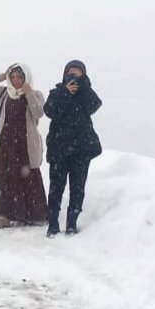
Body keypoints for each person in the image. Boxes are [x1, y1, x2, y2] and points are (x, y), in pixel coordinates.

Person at [0, 63, 48, 229]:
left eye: (20, 76)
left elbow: (39, 112)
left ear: (26, 78)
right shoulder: (4, 93)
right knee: (4, 179)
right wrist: (3, 76)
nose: (16, 80)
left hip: (25, 145)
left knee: (29, 178)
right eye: (13, 77)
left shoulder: (36, 94)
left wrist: (28, 93)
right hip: (5, 144)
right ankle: (3, 216)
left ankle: (34, 215)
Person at [44, 59, 103, 237]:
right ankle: (53, 224)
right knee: (56, 189)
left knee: (77, 189)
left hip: (81, 151)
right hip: (59, 151)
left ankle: (72, 223)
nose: (74, 76)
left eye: (78, 73)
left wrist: (84, 86)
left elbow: (95, 105)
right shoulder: (57, 92)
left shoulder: (86, 94)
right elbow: (50, 111)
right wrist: (64, 92)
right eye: (71, 73)